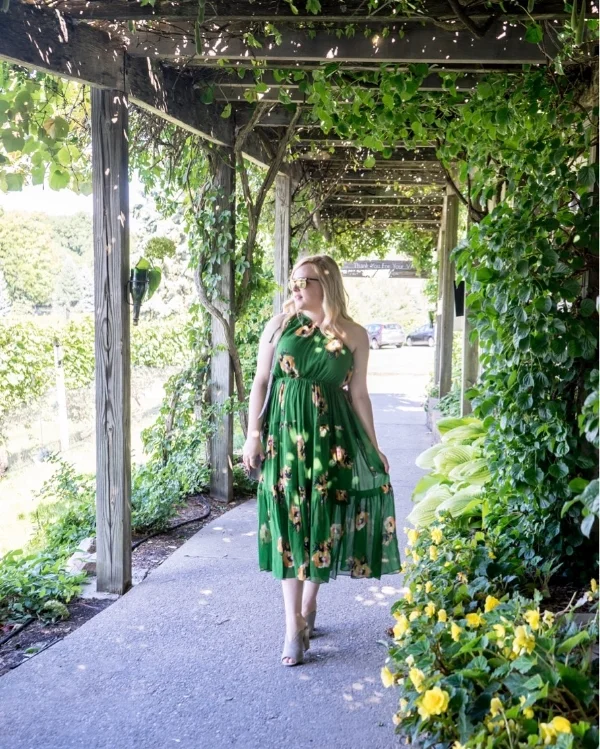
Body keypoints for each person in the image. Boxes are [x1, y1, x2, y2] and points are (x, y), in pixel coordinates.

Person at [242, 254, 401, 666]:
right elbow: (261, 381)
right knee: (287, 520)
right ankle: (292, 624)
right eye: (293, 281)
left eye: (305, 281)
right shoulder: (279, 325)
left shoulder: (354, 334)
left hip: (332, 439)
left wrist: (374, 445)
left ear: (326, 283)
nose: (296, 288)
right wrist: (252, 436)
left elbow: (358, 394)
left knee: (321, 517)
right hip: (284, 437)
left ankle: (309, 603)